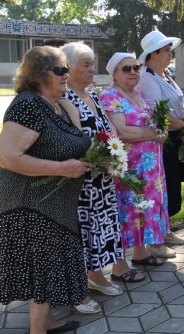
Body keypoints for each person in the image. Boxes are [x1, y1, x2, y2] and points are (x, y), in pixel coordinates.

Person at [0, 46, 93, 334]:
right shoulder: (27, 105)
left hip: (56, 206)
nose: (67, 75)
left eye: (67, 69)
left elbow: (72, 142)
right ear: (39, 74)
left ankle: (45, 322)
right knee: (42, 270)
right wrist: (62, 169)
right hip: (32, 205)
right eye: (61, 70)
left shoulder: (59, 105)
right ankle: (38, 330)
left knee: (48, 270)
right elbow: (7, 157)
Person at [59, 43, 124, 311]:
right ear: (68, 68)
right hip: (80, 181)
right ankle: (77, 289)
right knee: (82, 233)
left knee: (99, 229)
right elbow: (70, 140)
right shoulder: (63, 98)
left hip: (101, 178)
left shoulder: (93, 95)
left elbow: (108, 129)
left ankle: (95, 276)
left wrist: (114, 155)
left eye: (92, 63)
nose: (91, 69)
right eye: (85, 64)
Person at [100, 53, 170, 278]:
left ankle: (140, 253)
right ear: (114, 73)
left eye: (136, 67)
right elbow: (122, 131)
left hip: (149, 168)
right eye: (126, 69)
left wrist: (161, 131)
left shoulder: (137, 93)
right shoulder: (110, 96)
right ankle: (119, 266)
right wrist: (155, 134)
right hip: (129, 168)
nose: (133, 72)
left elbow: (152, 124)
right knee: (127, 211)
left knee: (143, 209)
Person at [136, 30, 184, 252]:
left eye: (170, 50)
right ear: (153, 54)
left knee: (171, 187)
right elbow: (156, 112)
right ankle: (156, 240)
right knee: (162, 188)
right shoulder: (146, 77)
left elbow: (178, 103)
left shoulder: (165, 73)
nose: (170, 54)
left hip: (175, 135)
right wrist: (181, 125)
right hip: (161, 139)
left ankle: (165, 231)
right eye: (166, 51)